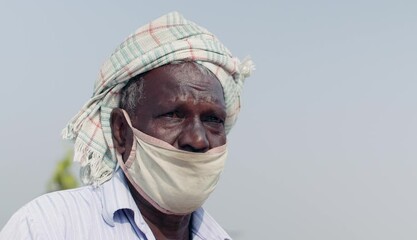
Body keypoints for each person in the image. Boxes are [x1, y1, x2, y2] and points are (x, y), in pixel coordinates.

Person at [0, 12, 253, 240]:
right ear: (122, 131)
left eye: (213, 120)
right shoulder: (49, 227)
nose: (198, 140)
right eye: (174, 115)